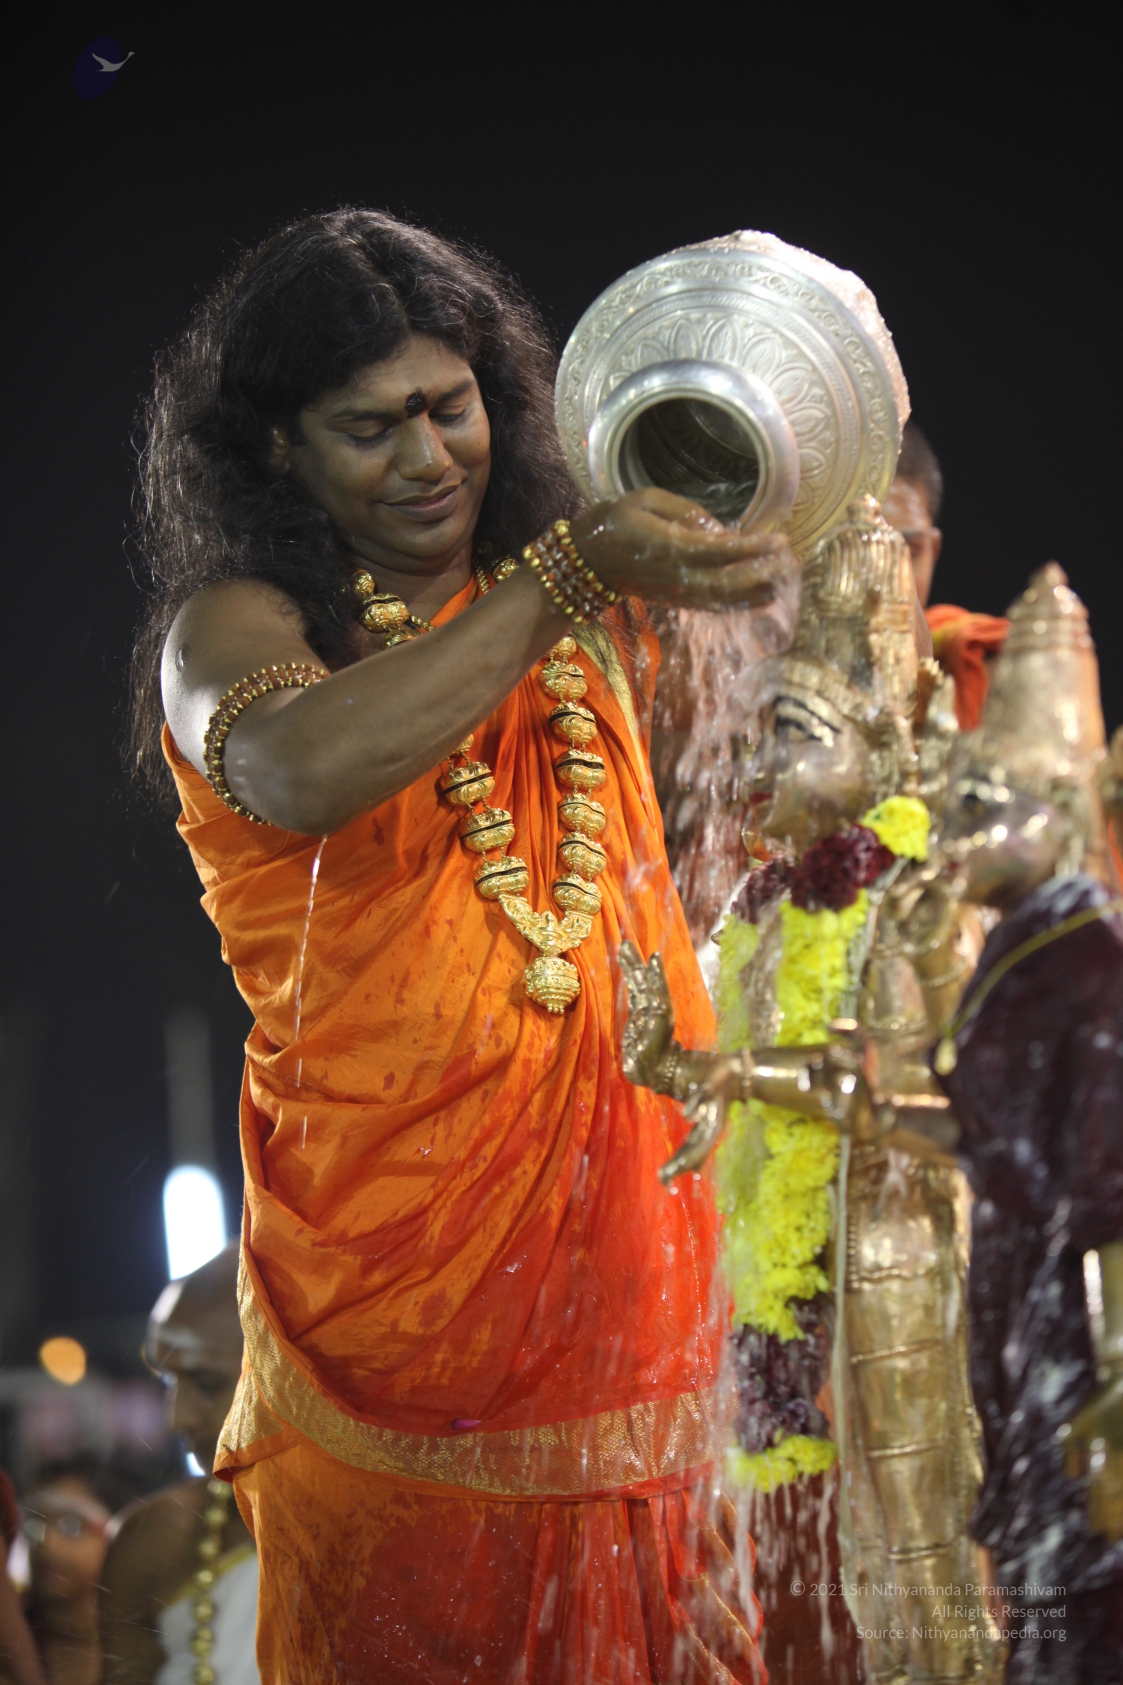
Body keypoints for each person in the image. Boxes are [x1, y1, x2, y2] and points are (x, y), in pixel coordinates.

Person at [129, 209, 789, 1682]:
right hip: (395, 1310)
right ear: (279, 448)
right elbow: (299, 767)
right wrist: (562, 576)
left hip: (634, 1292)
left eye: (451, 406)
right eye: (369, 428)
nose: (429, 458)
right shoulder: (236, 625)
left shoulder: (585, 629)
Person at [938, 564, 1123, 1682]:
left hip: (1077, 1347)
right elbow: (991, 1138)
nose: (951, 832)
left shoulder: (1089, 964)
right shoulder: (1023, 948)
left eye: (981, 805)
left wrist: (1115, 1383)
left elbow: (1110, 1196)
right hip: (1020, 1312)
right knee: (1035, 1605)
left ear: (1056, 809)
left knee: (1073, 1617)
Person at [100, 1243, 258, 1685]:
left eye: (206, 1384)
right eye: (170, 1380)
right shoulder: (151, 1544)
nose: (177, 1418)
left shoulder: (395, 1537)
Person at [884, 420, 1008, 729]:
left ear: (934, 551)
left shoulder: (980, 662)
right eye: (862, 548)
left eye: (908, 552)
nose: (886, 580)